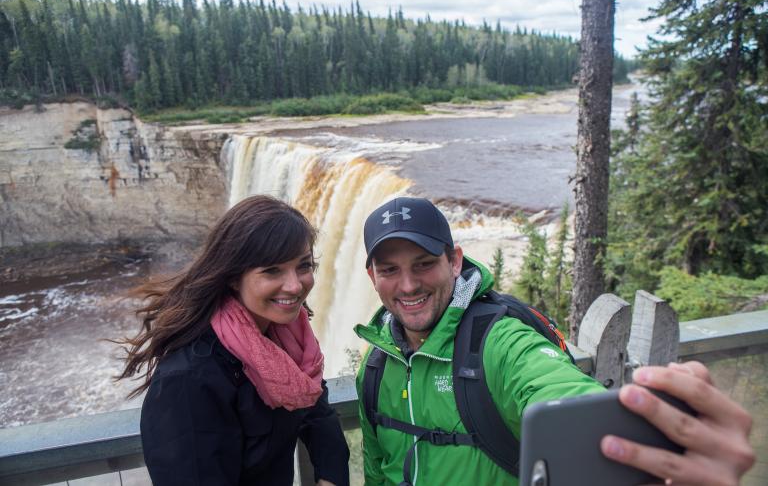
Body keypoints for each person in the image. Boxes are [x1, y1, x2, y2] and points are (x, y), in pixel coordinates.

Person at [355, 196, 754, 486]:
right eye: (390, 270)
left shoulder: (497, 343)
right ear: (373, 277)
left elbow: (557, 389)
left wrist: (650, 450)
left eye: (424, 264)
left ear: (455, 261)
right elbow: (377, 470)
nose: (408, 285)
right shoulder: (373, 368)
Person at [116, 195, 350, 486]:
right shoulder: (189, 379)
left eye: (303, 266)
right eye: (272, 270)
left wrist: (330, 476)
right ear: (232, 277)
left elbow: (316, 409)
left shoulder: (287, 338)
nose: (295, 285)